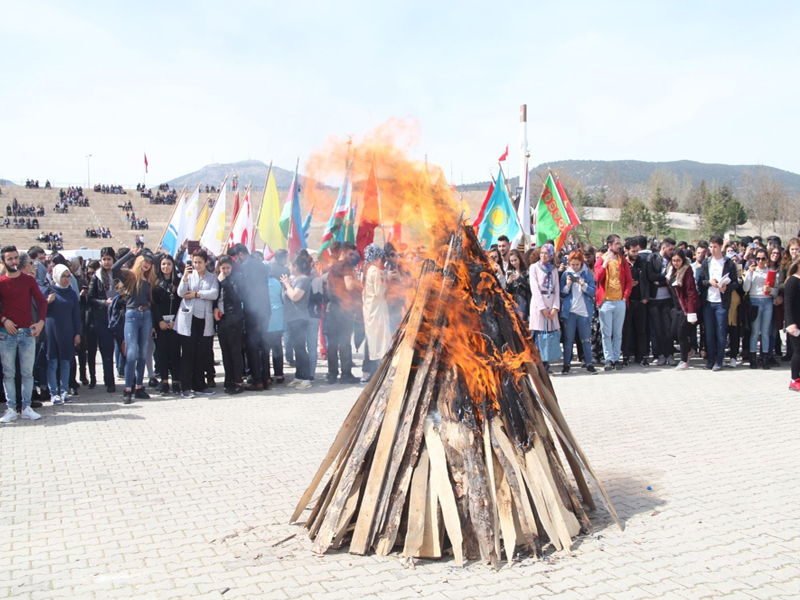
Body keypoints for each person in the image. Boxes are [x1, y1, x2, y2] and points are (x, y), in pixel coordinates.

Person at [0, 246, 48, 423]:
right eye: (10, 258)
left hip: (27, 333)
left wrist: (41, 322)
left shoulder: (28, 280)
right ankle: (11, 408)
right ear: (3, 261)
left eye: (15, 258)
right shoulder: (1, 282)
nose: (14, 261)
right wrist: (4, 319)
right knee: (9, 373)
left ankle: (26, 407)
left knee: (28, 373)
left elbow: (42, 302)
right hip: (6, 334)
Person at [112, 247, 157, 404]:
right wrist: (130, 254)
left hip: (146, 315)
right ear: (139, 261)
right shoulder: (130, 276)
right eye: (145, 260)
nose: (147, 264)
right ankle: (127, 389)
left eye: (150, 262)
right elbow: (114, 268)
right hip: (132, 315)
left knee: (142, 354)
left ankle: (139, 387)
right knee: (131, 354)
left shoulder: (149, 280)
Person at [176, 249, 219, 397]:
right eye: (195, 262)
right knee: (188, 353)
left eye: (200, 262)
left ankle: (200, 385)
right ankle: (186, 387)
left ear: (206, 262)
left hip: (204, 320)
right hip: (188, 320)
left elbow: (214, 293)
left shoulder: (212, 278)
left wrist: (197, 294)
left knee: (202, 353)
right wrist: (185, 277)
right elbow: (181, 293)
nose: (197, 265)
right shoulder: (188, 275)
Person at [231, 244, 272, 391]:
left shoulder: (247, 266)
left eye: (236, 258)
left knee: (253, 345)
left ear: (241, 255)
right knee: (264, 344)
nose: (236, 261)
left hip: (253, 310)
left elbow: (246, 289)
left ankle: (257, 380)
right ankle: (266, 377)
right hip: (264, 309)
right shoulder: (260, 264)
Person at [696, 235, 739, 371]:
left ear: (721, 247)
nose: (713, 249)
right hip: (708, 302)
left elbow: (735, 282)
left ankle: (719, 360)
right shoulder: (706, 262)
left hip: (722, 302)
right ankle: (711, 359)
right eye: (711, 247)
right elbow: (700, 282)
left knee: (721, 332)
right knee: (709, 332)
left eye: (715, 247)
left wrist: (726, 287)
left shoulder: (728, 263)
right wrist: (709, 282)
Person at [595, 234, 632, 371]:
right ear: (609, 245)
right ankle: (608, 358)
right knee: (606, 333)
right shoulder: (601, 259)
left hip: (619, 301)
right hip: (606, 302)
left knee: (618, 332)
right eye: (616, 243)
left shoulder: (622, 260)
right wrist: (604, 264)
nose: (619, 246)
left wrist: (625, 296)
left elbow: (628, 280)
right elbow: (597, 277)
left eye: (619, 243)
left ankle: (616, 358)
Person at [45, 265, 81, 404]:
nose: (66, 280)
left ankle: (64, 391)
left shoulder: (71, 293)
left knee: (66, 362)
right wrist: (47, 302)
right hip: (51, 330)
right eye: (63, 276)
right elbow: (39, 308)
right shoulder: (49, 291)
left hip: (67, 331)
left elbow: (76, 315)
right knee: (52, 361)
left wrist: (77, 333)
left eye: (68, 276)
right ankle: (53, 393)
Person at [325, 242, 360, 384]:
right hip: (343, 308)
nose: (353, 257)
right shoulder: (346, 266)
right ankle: (346, 374)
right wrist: (359, 282)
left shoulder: (332, 266)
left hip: (331, 308)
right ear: (343, 253)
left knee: (332, 343)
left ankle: (332, 374)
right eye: (351, 254)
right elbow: (349, 286)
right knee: (345, 342)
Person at [559, 249, 597, 374]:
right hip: (569, 312)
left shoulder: (587, 274)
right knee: (568, 340)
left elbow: (592, 292)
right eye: (572, 264)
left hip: (584, 311)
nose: (575, 267)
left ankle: (589, 363)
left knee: (586, 339)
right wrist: (568, 285)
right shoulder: (566, 274)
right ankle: (566, 364)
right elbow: (562, 293)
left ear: (581, 263)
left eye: (577, 264)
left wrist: (583, 284)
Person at [87, 247, 118, 392]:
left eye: (109, 259)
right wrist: (104, 302)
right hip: (102, 318)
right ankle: (109, 381)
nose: (106, 262)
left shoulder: (119, 274)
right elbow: (91, 298)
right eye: (104, 259)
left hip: (118, 316)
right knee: (106, 351)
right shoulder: (97, 276)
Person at [151, 255, 182, 395]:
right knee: (162, 353)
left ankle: (176, 381)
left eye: (168, 264)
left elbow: (182, 304)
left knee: (175, 353)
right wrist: (160, 321)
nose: (166, 267)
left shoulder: (179, 282)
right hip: (161, 324)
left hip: (175, 323)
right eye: (163, 264)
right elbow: (153, 305)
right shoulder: (155, 283)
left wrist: (176, 320)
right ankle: (164, 381)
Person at [281, 254, 313, 389]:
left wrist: (287, 285)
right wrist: (287, 285)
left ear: (296, 267)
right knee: (296, 349)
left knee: (300, 349)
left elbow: (295, 296)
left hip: (299, 318)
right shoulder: (294, 280)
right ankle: (299, 376)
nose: (289, 267)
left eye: (291, 265)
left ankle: (306, 379)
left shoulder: (304, 279)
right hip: (291, 318)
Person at [743, 247, 778, 369]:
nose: (760, 261)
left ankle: (765, 358)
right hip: (754, 300)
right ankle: (752, 357)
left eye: (763, 258)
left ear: (767, 259)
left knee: (765, 332)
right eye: (758, 259)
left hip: (767, 300)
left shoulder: (770, 272)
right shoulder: (752, 271)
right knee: (754, 331)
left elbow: (776, 291)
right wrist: (749, 273)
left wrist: (770, 290)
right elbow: (746, 288)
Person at [214, 256, 245, 394]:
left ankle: (238, 381)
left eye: (228, 268)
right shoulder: (216, 280)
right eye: (223, 268)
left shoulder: (236, 279)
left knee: (235, 352)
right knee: (225, 352)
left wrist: (225, 282)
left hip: (234, 319)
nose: (225, 270)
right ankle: (229, 380)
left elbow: (237, 299)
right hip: (222, 320)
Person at [361, 244, 391, 383]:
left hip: (371, 310)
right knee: (380, 343)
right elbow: (379, 292)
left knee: (374, 342)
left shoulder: (368, 270)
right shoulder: (376, 272)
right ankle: (379, 374)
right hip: (377, 311)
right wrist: (386, 279)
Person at [666, 250, 701, 371]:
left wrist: (691, 312)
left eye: (678, 260)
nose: (676, 263)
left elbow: (691, 293)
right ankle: (689, 349)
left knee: (681, 333)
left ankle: (684, 361)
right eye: (674, 260)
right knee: (672, 333)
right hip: (676, 307)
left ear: (683, 260)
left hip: (686, 308)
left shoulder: (687, 272)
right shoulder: (671, 270)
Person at [529, 243, 560, 373]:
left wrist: (555, 308)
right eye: (542, 253)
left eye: (546, 253)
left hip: (551, 301)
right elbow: (535, 289)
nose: (543, 255)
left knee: (548, 336)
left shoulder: (553, 270)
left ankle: (546, 365)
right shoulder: (534, 268)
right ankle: (538, 366)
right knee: (538, 337)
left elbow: (557, 290)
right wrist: (543, 308)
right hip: (538, 305)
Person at [646, 237, 676, 365]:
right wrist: (665, 277)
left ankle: (670, 354)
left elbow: (673, 278)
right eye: (670, 249)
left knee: (668, 328)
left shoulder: (672, 261)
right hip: (654, 299)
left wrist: (662, 282)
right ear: (664, 248)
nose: (672, 251)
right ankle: (659, 354)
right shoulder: (652, 258)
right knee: (657, 329)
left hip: (668, 299)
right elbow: (650, 276)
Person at [621, 238, 649, 366]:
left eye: (637, 251)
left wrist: (646, 297)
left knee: (641, 330)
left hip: (640, 301)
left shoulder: (642, 263)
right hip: (626, 301)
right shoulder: (621, 263)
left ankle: (642, 356)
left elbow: (647, 280)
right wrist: (628, 285)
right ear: (626, 250)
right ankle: (626, 355)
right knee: (625, 330)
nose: (636, 254)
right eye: (633, 251)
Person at [783, 257, 800, 390]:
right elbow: (787, 303)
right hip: (795, 322)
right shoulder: (793, 281)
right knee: (798, 351)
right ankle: (794, 379)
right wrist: (790, 323)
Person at [506, 249, 530, 324]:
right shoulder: (511, 272)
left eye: (515, 260)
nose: (513, 263)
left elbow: (529, 287)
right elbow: (509, 291)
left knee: (523, 323)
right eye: (511, 261)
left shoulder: (526, 272)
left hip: (524, 301)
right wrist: (509, 283)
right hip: (514, 302)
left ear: (519, 259)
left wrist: (519, 278)